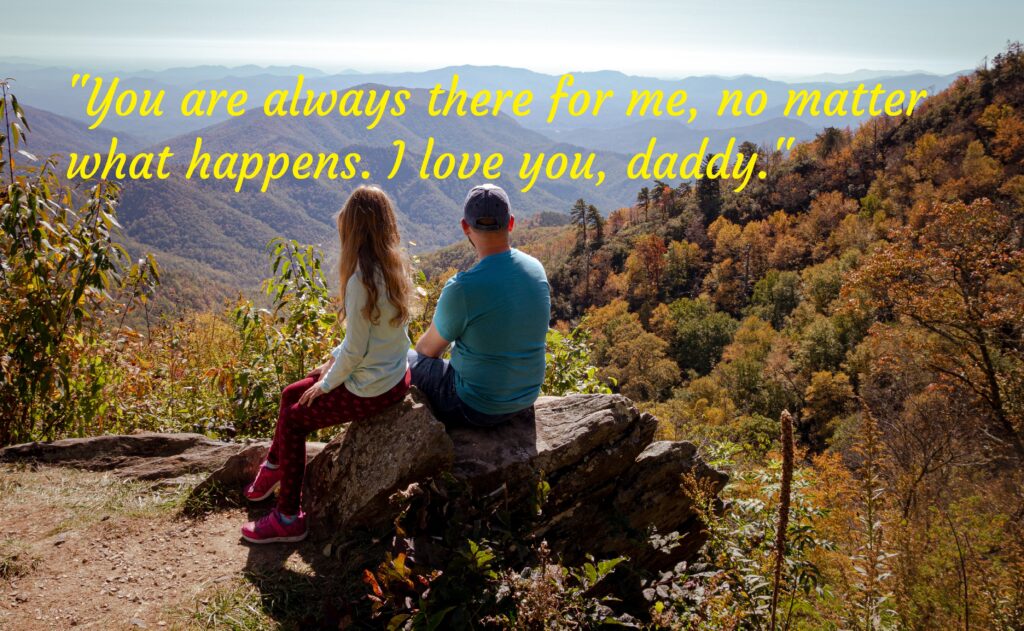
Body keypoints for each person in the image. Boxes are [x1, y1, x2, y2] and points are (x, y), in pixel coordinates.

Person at [241, 186, 414, 544]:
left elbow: (356, 349)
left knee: (294, 417)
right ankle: (274, 467)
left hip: (372, 388)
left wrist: (327, 382)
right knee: (291, 393)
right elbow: (368, 339)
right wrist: (330, 362)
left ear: (351, 231)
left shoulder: (360, 282)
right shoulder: (392, 268)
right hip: (394, 374)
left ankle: (289, 517)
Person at [409, 183, 550, 427]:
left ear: (465, 227)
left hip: (475, 407)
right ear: (511, 222)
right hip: (526, 398)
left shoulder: (462, 288)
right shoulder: (536, 269)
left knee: (403, 361)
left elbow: (427, 351)